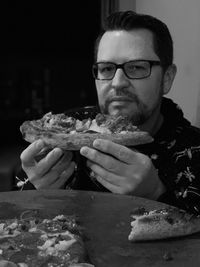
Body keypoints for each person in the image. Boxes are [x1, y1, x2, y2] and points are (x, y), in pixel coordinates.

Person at [18, 10, 200, 215]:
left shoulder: (194, 150)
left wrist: (156, 194)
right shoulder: (65, 134)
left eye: (137, 67)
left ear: (167, 78)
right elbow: (19, 225)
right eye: (106, 69)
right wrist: (35, 191)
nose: (118, 83)